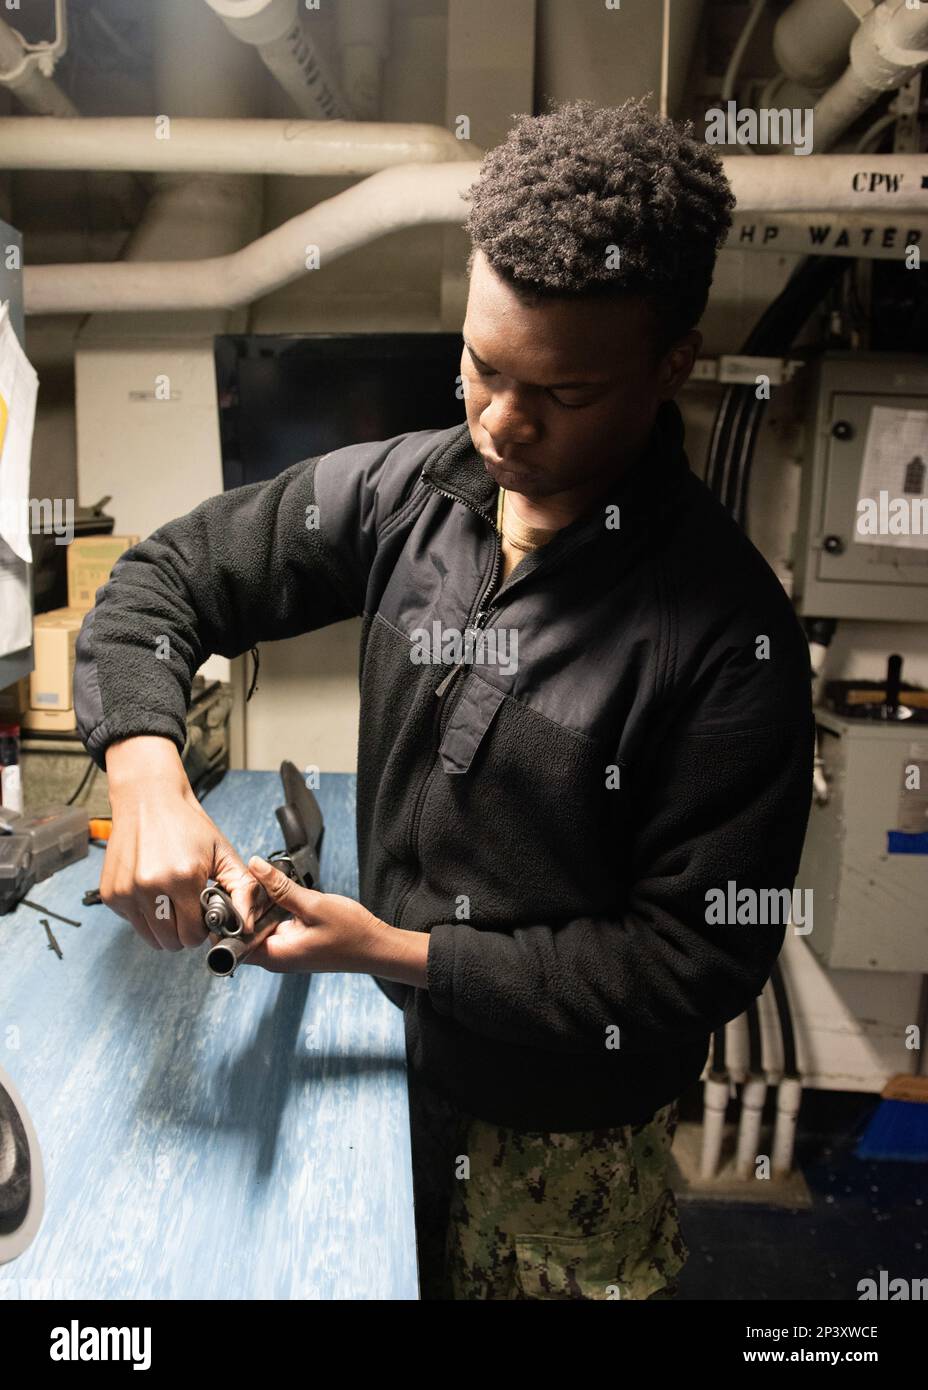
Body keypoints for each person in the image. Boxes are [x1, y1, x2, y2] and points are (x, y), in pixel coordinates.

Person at [73, 96, 814, 1300]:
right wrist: (146, 764)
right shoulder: (409, 489)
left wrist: (404, 951)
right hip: (388, 1060)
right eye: (481, 365)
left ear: (670, 362)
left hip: (558, 1148)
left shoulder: (727, 644)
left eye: (561, 393)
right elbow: (165, 578)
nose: (499, 424)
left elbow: (685, 968)